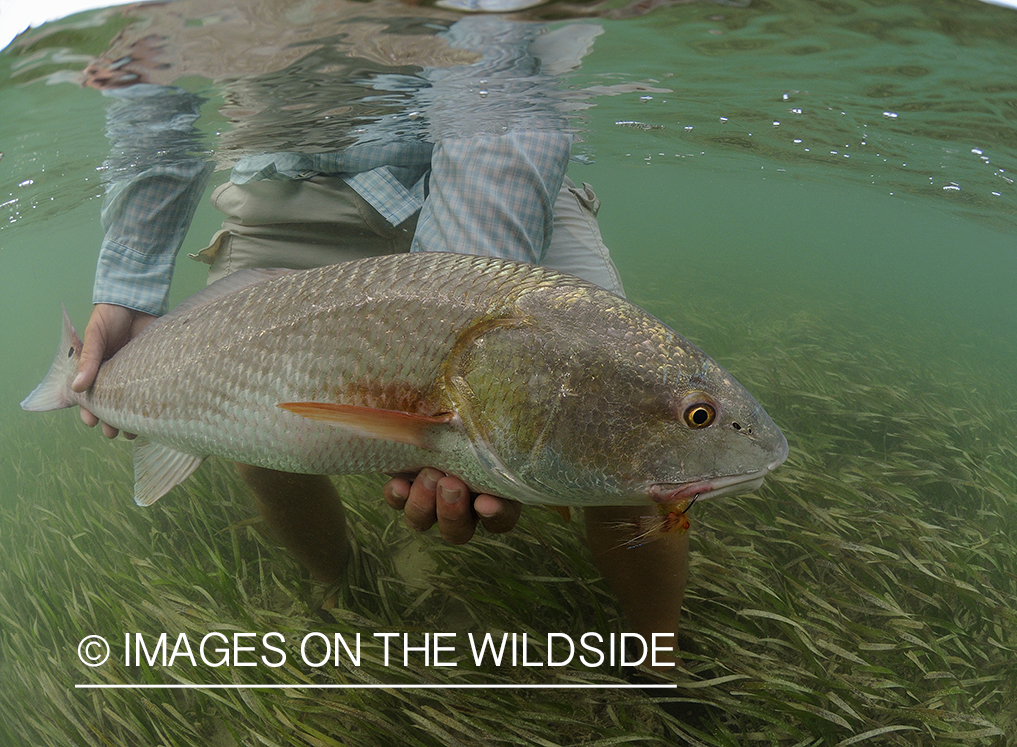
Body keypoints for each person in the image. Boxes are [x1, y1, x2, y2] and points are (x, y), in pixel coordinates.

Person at [70, 0, 687, 669]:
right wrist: (125, 289)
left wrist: (449, 347)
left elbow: (496, 75)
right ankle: (341, 582)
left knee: (629, 401)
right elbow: (150, 94)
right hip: (290, 175)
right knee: (253, 427)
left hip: (499, 160)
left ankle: (655, 649)